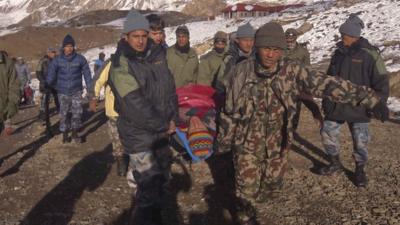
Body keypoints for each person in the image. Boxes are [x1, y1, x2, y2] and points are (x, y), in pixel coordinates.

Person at [217, 22, 388, 225]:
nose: (271, 55)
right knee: (246, 191)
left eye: (276, 49)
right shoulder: (240, 72)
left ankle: (257, 203)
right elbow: (228, 111)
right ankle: (246, 218)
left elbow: (327, 84)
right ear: (257, 47)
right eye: (266, 49)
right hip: (246, 144)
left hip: (278, 143)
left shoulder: (292, 71)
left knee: (271, 187)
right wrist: (223, 145)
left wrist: (371, 99)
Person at [107, 10, 178, 225]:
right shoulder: (121, 65)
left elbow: (169, 90)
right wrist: (163, 123)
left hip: (161, 132)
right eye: (135, 36)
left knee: (161, 183)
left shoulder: (156, 56)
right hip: (139, 136)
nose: (140, 41)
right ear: (125, 37)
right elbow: (134, 104)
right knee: (147, 189)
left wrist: (172, 116)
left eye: (143, 36)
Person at [317, 14, 389, 187]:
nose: (343, 40)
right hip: (336, 106)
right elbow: (329, 79)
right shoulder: (338, 53)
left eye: (345, 37)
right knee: (327, 132)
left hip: (360, 107)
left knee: (360, 140)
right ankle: (335, 162)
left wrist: (378, 103)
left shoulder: (371, 55)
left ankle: (359, 170)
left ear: (354, 36)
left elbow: (382, 82)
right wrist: (326, 99)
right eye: (342, 36)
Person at [91, 42, 129, 177]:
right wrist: (94, 97)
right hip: (113, 109)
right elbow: (98, 81)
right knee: (116, 137)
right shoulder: (110, 63)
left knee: (131, 136)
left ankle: (130, 158)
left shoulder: (137, 63)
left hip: (132, 110)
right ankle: (121, 161)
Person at [47, 34, 92, 144]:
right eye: (67, 46)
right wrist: (48, 84)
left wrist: (90, 87)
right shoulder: (57, 60)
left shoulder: (80, 59)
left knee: (77, 112)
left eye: (71, 46)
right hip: (62, 91)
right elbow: (51, 74)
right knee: (64, 113)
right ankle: (65, 133)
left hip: (76, 90)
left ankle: (75, 133)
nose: (69, 48)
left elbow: (87, 74)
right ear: (63, 47)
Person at [284, 28, 323, 130]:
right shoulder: (280, 50)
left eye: (291, 40)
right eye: (287, 40)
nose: (289, 42)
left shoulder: (303, 52)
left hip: (298, 86)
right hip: (282, 85)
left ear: (295, 39)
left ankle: (292, 132)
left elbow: (307, 70)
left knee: (295, 112)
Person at [215, 22, 255, 93]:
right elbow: (220, 84)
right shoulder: (230, 59)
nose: (249, 44)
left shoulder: (256, 56)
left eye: (251, 40)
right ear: (237, 40)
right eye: (245, 40)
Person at [37, 47, 60, 137]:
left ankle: (61, 113)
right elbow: (38, 73)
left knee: (58, 99)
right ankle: (43, 118)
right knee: (44, 102)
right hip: (46, 84)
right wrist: (43, 81)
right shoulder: (43, 61)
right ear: (48, 53)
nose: (54, 54)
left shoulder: (56, 60)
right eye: (52, 52)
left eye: (54, 52)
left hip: (55, 84)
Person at [0, 50, 20, 136]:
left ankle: (7, 125)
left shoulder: (7, 63)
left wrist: (12, 103)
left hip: (2, 107)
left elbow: (14, 86)